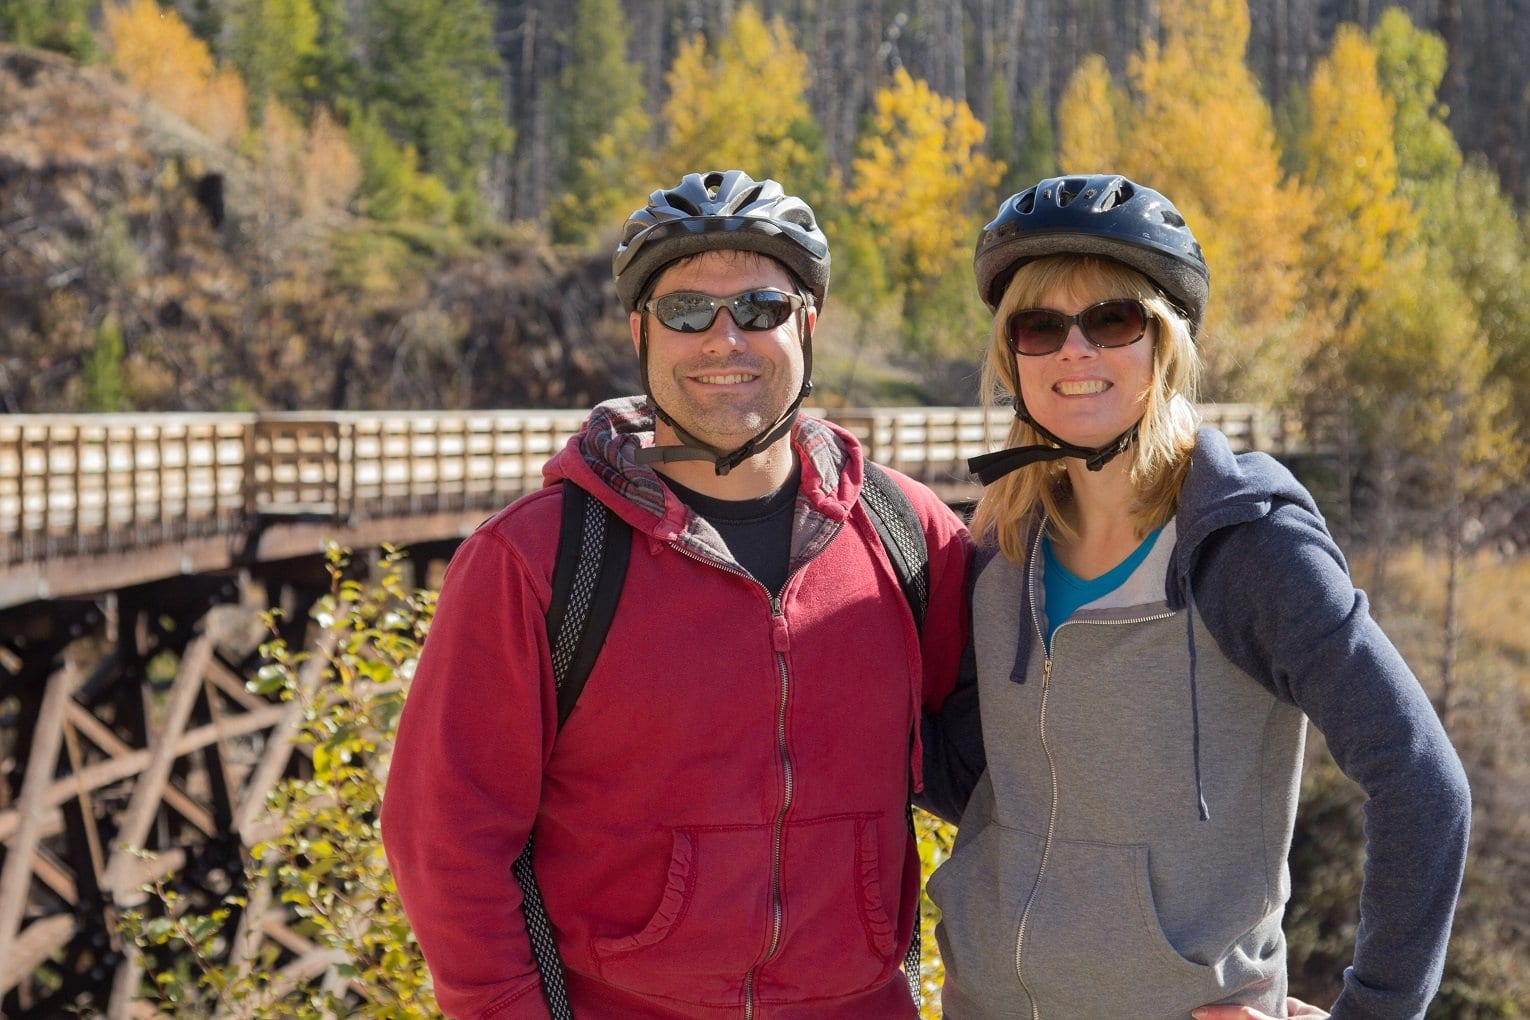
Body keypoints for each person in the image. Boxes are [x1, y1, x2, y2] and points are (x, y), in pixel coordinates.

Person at [380, 169, 971, 1019]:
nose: (724, 340)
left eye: (761, 310)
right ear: (640, 332)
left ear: (808, 325)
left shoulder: (909, 534)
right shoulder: (537, 560)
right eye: (687, 311)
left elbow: (1022, 767)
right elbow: (445, 842)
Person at [918, 173, 1471, 1019]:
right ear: (1012, 355)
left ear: (1165, 343)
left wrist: (1376, 1011)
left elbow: (1422, 782)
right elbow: (997, 781)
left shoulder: (1244, 546)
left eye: (1112, 320)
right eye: (1041, 325)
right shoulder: (1001, 548)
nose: (1076, 351)